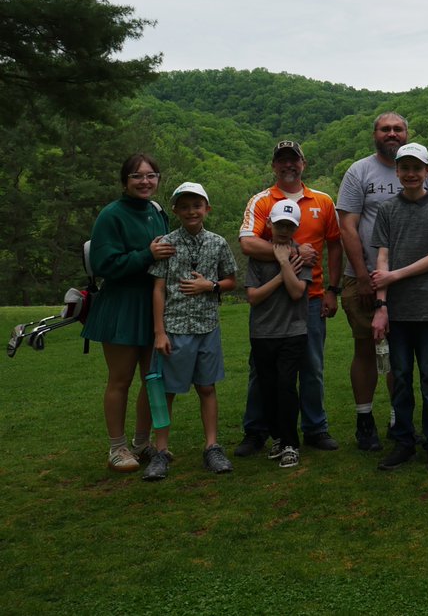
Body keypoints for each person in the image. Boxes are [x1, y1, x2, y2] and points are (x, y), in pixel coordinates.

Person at [336, 113, 428, 452]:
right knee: (366, 349)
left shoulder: (422, 171)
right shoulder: (359, 171)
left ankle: (399, 419)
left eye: (398, 129)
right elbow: (347, 226)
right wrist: (363, 276)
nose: (392, 134)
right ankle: (364, 419)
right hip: (364, 277)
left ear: (407, 133)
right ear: (374, 134)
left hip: (409, 282)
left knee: (400, 354)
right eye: (385, 129)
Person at [237, 140, 342, 455]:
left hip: (311, 297)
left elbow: (335, 245)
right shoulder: (262, 201)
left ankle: (315, 428)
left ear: (303, 164)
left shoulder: (322, 201)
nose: (288, 165)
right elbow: (248, 244)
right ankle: (256, 431)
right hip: (270, 302)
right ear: (273, 166)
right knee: (261, 369)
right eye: (281, 160)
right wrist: (295, 252)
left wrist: (333, 290)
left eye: (293, 159)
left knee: (312, 366)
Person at [84, 155, 174, 472]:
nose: (145, 181)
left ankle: (142, 443)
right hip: (122, 305)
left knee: (153, 379)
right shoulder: (111, 215)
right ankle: (117, 448)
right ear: (125, 181)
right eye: (137, 176)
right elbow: (104, 264)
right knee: (120, 379)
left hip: (153, 305)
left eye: (151, 175)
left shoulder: (157, 212)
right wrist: (146, 254)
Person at [144, 182, 238, 481]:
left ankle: (212, 447)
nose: (191, 212)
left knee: (207, 387)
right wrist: (159, 332)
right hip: (174, 328)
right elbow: (158, 289)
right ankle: (161, 451)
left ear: (207, 209)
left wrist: (209, 286)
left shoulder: (217, 243)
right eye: (184, 207)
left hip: (206, 326)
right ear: (175, 211)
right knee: (167, 391)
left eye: (197, 206)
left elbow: (231, 281)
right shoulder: (167, 244)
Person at [371, 143, 428, 471]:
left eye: (417, 168)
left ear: (427, 172)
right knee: (402, 376)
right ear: (397, 171)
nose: (410, 174)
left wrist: (394, 275)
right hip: (398, 308)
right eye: (404, 168)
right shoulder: (387, 210)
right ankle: (404, 441)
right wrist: (381, 304)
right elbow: (382, 257)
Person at [244, 199, 312, 469]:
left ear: (296, 227)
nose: (284, 230)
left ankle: (290, 443)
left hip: (292, 331)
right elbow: (253, 297)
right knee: (268, 388)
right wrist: (282, 271)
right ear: (269, 223)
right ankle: (278, 438)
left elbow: (297, 292)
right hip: (262, 332)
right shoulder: (257, 258)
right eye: (280, 225)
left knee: (286, 386)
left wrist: (285, 262)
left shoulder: (303, 256)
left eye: (290, 226)